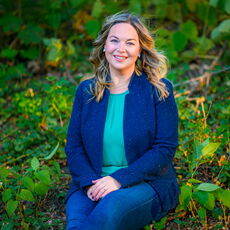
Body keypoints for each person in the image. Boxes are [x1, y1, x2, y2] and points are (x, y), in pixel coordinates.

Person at [65, 11, 179, 230]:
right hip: (92, 181)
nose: (121, 49)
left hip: (145, 183)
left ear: (140, 50)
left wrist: (118, 180)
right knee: (77, 224)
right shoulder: (86, 91)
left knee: (109, 211)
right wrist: (90, 182)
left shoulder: (159, 91)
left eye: (130, 43)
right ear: (104, 45)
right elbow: (74, 146)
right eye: (114, 40)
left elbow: (164, 149)